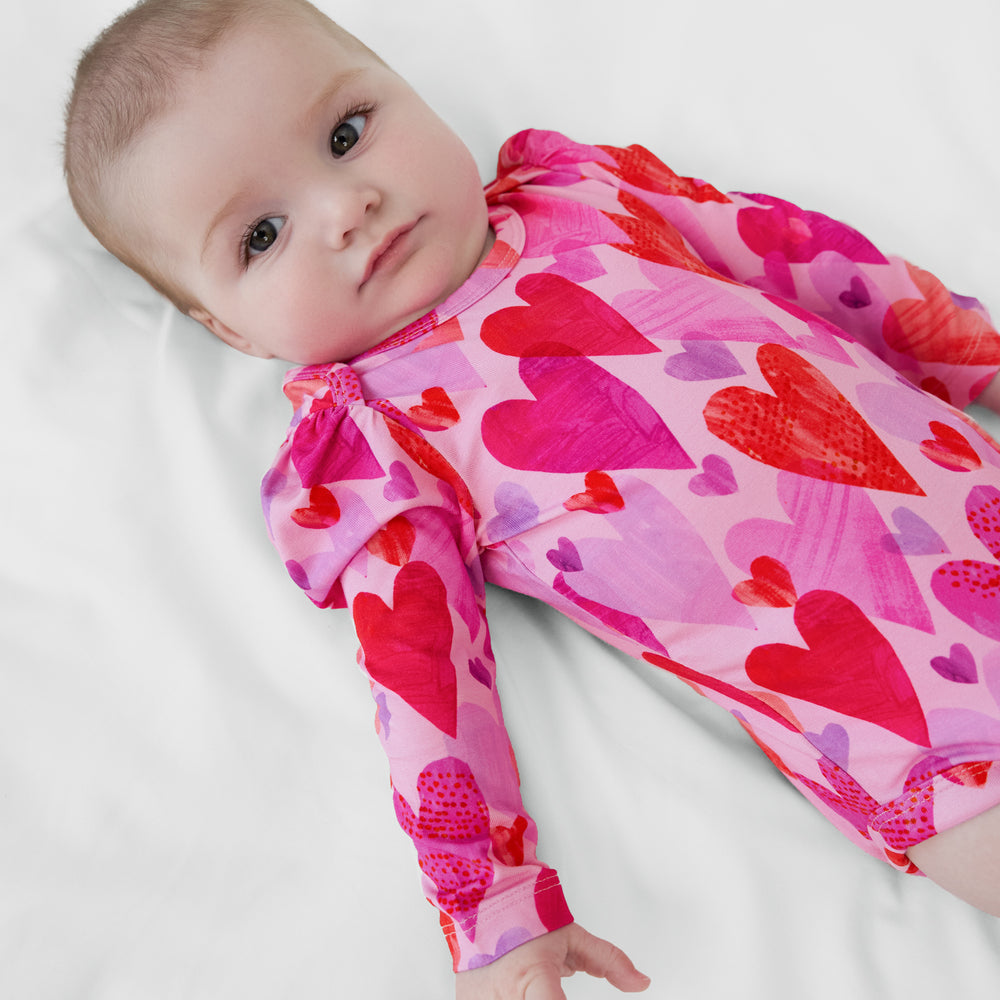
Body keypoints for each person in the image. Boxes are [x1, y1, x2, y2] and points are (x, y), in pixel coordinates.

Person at [63, 1, 1000, 996]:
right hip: (919, 734)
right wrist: (493, 916)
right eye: (261, 234)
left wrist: (977, 362)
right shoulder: (378, 437)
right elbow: (425, 682)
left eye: (345, 134)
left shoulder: (587, 194)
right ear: (234, 332)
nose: (345, 209)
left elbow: (800, 255)